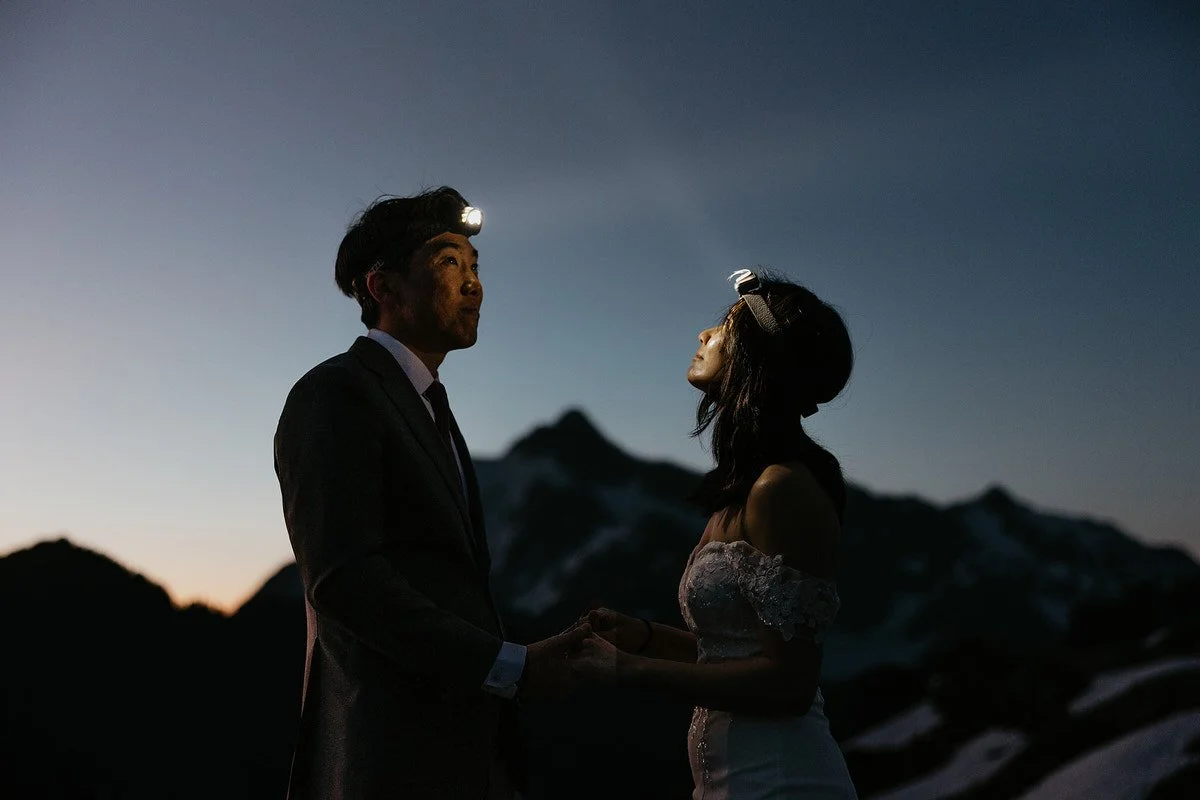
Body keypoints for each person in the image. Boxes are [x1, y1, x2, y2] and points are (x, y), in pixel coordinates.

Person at [274, 186, 589, 799]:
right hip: (385, 756)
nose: (473, 284)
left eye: (475, 267)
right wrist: (511, 667)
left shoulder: (428, 406)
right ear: (382, 287)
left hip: (457, 752)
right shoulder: (337, 392)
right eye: (448, 262)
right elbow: (344, 579)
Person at [570, 269, 859, 798]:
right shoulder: (748, 486)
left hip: (782, 780)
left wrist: (631, 669)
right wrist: (644, 635)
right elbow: (735, 650)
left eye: (724, 325)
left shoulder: (783, 488)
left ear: (757, 355)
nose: (704, 334)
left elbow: (789, 683)